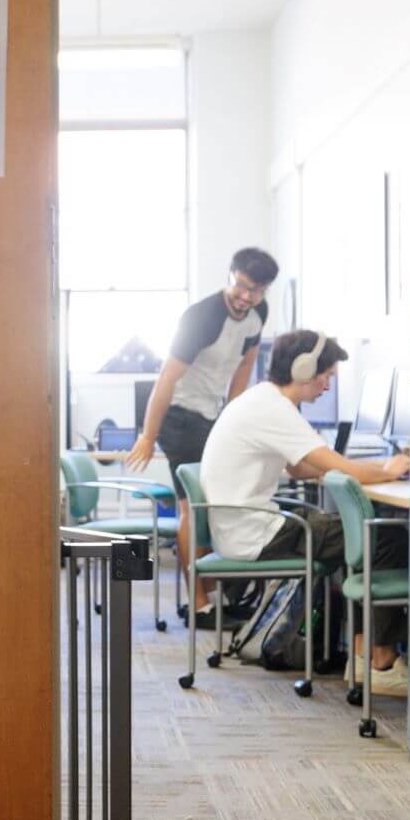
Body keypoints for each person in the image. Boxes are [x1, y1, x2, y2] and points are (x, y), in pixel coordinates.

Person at [198, 330, 410, 692]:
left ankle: (363, 652)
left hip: (249, 524)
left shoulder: (262, 400)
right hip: (257, 532)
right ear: (303, 369)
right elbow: (345, 471)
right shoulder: (275, 409)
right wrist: (384, 469)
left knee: (361, 533)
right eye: (326, 375)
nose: (328, 386)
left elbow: (301, 468)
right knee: (384, 537)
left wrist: (366, 466)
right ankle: (379, 660)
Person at [122, 247, 276, 623]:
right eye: (241, 285)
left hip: (210, 416)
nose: (246, 296)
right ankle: (199, 603)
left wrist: (233, 416)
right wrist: (147, 435)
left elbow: (246, 365)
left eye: (255, 290)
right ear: (230, 275)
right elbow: (166, 379)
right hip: (179, 415)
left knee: (217, 500)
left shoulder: (259, 314)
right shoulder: (201, 318)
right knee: (193, 504)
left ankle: (217, 594)